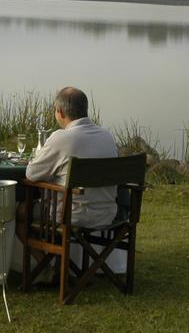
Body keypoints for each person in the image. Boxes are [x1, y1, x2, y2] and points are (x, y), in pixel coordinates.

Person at [24, 86, 120, 227]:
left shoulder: (61, 138)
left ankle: (48, 249)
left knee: (20, 212)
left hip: (70, 215)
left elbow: (31, 174)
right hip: (106, 215)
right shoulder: (107, 136)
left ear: (60, 113)